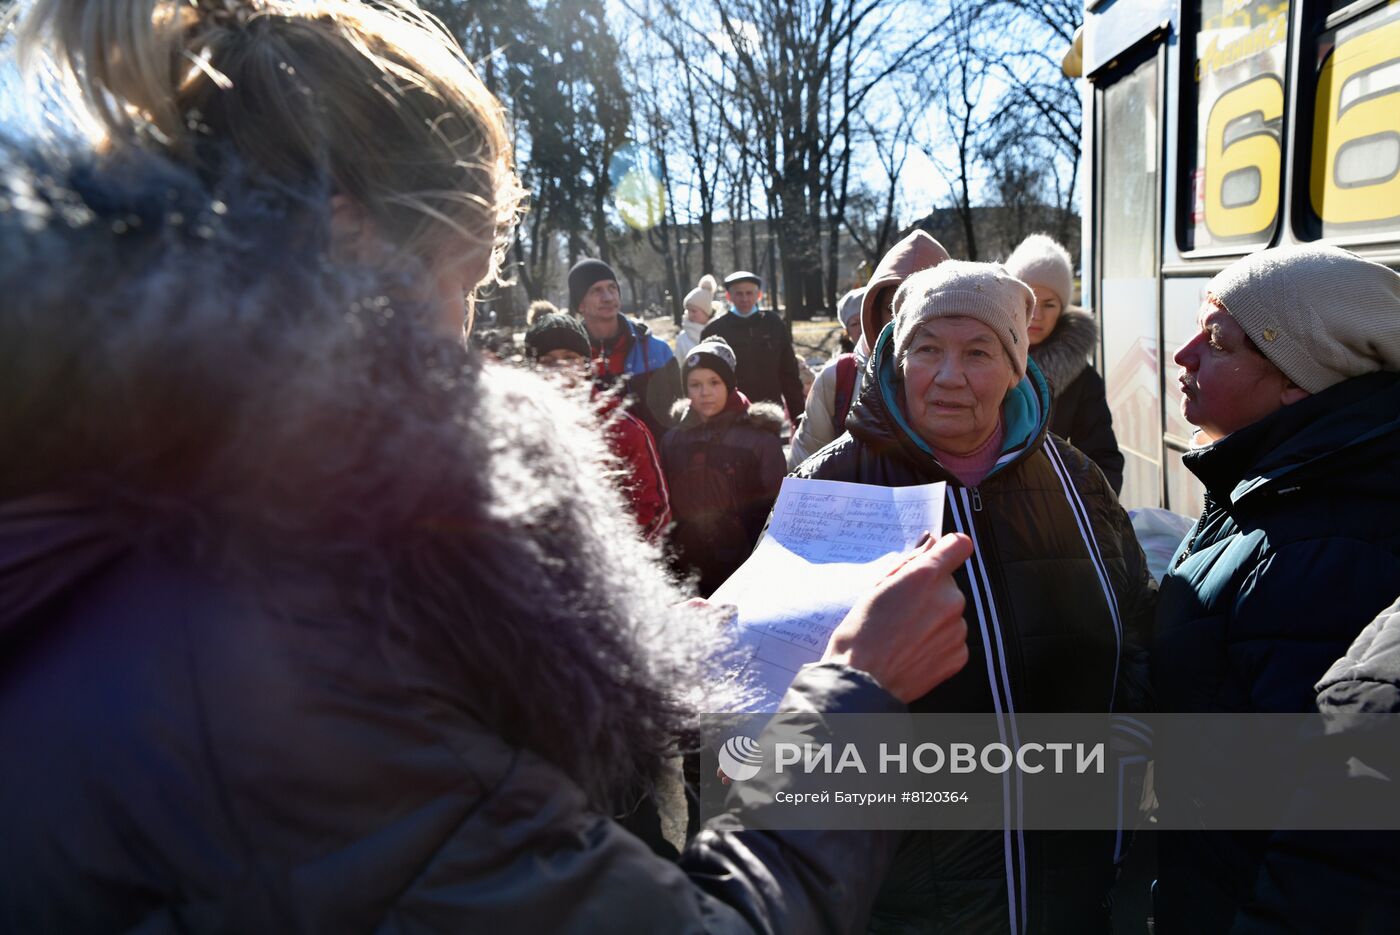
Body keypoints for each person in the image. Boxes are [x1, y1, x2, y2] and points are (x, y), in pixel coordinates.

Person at [0, 0, 982, 930]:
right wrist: (855, 687)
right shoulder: (300, 637)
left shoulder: (136, 489)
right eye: (463, 280)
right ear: (347, 233)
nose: (466, 338)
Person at [794, 260, 1156, 933]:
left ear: (1019, 365)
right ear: (897, 359)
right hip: (910, 893)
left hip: (1075, 874)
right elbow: (778, 687)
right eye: (926, 349)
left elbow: (1133, 624)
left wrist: (1123, 754)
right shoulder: (836, 484)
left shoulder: (1075, 479)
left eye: (978, 351)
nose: (949, 374)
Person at [1152, 244, 1400, 934]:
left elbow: (1332, 836)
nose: (1183, 354)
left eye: (1218, 341)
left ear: (1299, 382)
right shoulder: (1280, 486)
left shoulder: (1326, 549)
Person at [789, 232, 951, 469]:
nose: (906, 320)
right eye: (892, 307)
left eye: (921, 307)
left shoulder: (969, 378)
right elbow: (804, 467)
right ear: (875, 312)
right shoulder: (838, 377)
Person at [523, 310, 671, 542]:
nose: (560, 370)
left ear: (586, 364)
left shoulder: (624, 430)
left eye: (570, 358)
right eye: (548, 362)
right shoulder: (515, 433)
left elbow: (654, 512)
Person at [661, 336, 785, 597]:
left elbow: (777, 505)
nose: (705, 392)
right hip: (689, 562)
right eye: (695, 384)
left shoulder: (759, 439)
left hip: (745, 562)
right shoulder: (673, 439)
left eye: (714, 383)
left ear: (729, 385)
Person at [1004, 234, 1124, 494]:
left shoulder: (1083, 379)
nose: (1036, 315)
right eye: (1029, 301)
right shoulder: (974, 361)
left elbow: (1103, 460)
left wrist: (1080, 513)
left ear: (1062, 310)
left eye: (1049, 304)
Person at [570, 257, 682, 440]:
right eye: (596, 291)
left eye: (612, 288)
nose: (608, 297)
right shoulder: (571, 358)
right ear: (580, 304)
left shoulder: (659, 351)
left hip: (657, 461)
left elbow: (680, 418)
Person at [700, 270, 805, 421]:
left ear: (759, 295)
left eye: (749, 293)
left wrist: (798, 415)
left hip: (770, 413)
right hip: (730, 415)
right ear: (729, 296)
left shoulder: (773, 324)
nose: (744, 298)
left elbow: (789, 373)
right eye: (739, 294)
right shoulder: (714, 330)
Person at [675, 273, 719, 359]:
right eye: (688, 310)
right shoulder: (683, 338)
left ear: (706, 312)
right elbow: (678, 367)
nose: (690, 314)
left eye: (694, 311)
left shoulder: (720, 331)